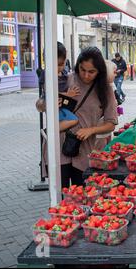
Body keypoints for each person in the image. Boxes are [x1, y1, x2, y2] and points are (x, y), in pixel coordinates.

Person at [43, 47, 118, 188]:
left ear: (99, 71)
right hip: (58, 148)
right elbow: (40, 104)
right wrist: (47, 103)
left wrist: (91, 130)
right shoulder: (66, 79)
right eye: (83, 70)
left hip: (85, 151)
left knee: (84, 196)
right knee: (61, 199)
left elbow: (111, 123)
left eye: (91, 72)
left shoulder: (105, 90)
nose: (86, 75)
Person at [36, 42, 80, 132]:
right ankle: (50, 131)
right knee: (73, 119)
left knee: (73, 119)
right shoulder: (46, 74)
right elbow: (49, 92)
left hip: (63, 103)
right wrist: (68, 94)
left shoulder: (64, 73)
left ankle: (53, 130)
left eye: (61, 64)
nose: (58, 68)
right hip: (52, 103)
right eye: (54, 65)